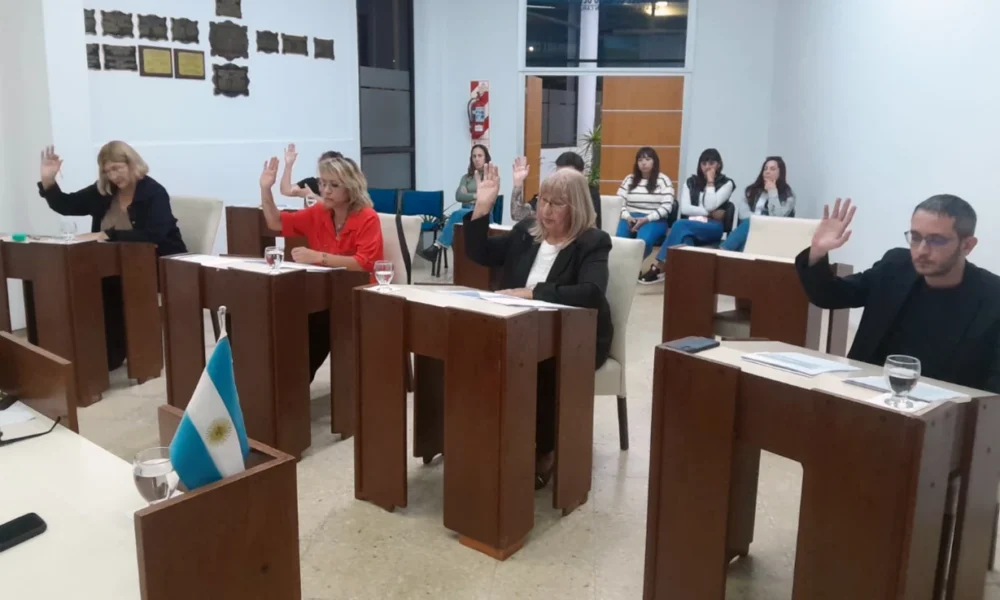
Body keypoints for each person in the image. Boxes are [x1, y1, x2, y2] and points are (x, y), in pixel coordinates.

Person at [463, 163, 613, 489]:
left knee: (541, 364)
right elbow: (479, 252)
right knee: (470, 351)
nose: (545, 210)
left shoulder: (592, 242)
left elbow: (591, 292)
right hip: (519, 329)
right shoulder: (526, 233)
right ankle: (484, 437)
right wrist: (482, 207)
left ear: (577, 207)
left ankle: (545, 448)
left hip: (573, 338)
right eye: (543, 200)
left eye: (557, 203)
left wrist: (533, 292)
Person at [797, 196, 1000, 393]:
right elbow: (828, 295)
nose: (921, 250)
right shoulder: (895, 267)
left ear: (967, 245)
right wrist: (818, 252)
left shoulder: (992, 296)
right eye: (915, 237)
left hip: (943, 409)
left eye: (936, 240)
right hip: (865, 394)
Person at [37, 141, 187, 371]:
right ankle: (80, 352)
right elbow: (67, 205)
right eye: (107, 171)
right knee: (78, 282)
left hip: (158, 264)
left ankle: (111, 355)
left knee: (107, 285)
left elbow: (154, 234)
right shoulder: (103, 191)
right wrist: (48, 181)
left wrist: (107, 234)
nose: (113, 176)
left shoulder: (153, 192)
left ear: (132, 163)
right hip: (115, 264)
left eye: (117, 168)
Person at [260, 154, 384, 382]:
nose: (325, 191)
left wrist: (318, 256)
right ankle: (273, 380)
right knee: (280, 312)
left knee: (316, 324)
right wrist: (266, 189)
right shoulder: (319, 212)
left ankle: (293, 385)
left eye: (334, 185)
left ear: (351, 188)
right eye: (323, 183)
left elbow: (364, 263)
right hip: (324, 291)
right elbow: (275, 222)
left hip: (358, 294)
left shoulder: (367, 217)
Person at [639, 148, 735, 283]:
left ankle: (660, 266)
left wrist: (710, 182)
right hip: (691, 224)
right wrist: (709, 213)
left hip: (713, 227)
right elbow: (685, 208)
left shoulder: (727, 183)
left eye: (711, 163)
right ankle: (688, 278)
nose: (707, 167)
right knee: (685, 238)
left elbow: (710, 204)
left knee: (680, 225)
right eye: (704, 164)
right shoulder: (691, 182)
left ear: (718, 165)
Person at [418, 144, 490, 264]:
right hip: (466, 213)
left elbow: (486, 197)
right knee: (457, 221)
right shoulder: (466, 178)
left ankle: (436, 247)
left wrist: (469, 195)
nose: (476, 159)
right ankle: (461, 264)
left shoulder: (489, 176)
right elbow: (459, 196)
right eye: (474, 156)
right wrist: (475, 195)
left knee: (457, 214)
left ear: (486, 158)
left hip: (483, 213)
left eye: (480, 156)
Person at [509, 152, 602, 229]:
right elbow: (518, 214)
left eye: (568, 175)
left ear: (581, 174)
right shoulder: (549, 194)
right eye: (559, 174)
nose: (562, 179)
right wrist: (518, 183)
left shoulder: (589, 194)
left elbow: (586, 223)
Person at [722, 156, 795, 253]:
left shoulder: (788, 196)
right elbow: (743, 214)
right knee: (749, 228)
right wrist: (758, 221)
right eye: (765, 169)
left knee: (750, 226)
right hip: (750, 228)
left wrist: (772, 192)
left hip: (771, 233)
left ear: (780, 173)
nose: (767, 172)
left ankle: (723, 250)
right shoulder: (752, 190)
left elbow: (778, 219)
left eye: (772, 169)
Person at [615, 147, 675, 259]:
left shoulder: (663, 180)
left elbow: (667, 207)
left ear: (654, 162)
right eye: (640, 160)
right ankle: (621, 266)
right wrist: (627, 217)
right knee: (618, 241)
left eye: (647, 159)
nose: (643, 163)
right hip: (629, 218)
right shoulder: (629, 179)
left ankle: (633, 266)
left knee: (643, 242)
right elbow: (618, 202)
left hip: (653, 219)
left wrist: (646, 219)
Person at [279, 143, 344, 206]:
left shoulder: (342, 185)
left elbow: (338, 206)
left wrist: (314, 197)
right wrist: (288, 165)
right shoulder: (312, 183)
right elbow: (286, 191)